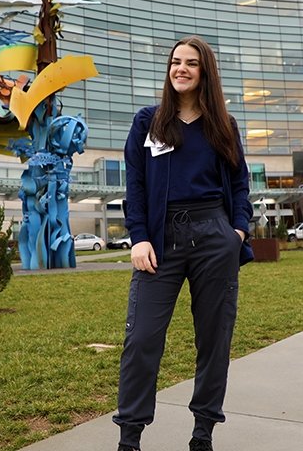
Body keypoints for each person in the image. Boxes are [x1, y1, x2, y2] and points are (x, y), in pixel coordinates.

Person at [113, 35, 253, 451]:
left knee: (214, 340)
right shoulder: (148, 122)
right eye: (176, 62)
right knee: (141, 339)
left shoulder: (223, 126)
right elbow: (135, 186)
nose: (182, 69)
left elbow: (240, 185)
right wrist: (139, 238)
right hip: (161, 241)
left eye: (192, 63)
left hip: (215, 235)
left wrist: (238, 232)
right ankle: (130, 438)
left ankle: (202, 434)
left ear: (205, 73)